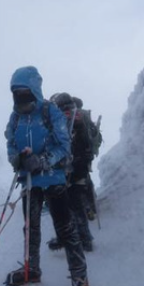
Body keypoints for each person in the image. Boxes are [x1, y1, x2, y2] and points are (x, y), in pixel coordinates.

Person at [3, 66, 89, 286]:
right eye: (17, 93)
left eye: (25, 93)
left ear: (34, 90)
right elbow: (11, 144)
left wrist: (42, 161)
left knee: (65, 227)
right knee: (30, 227)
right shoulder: (15, 117)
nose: (21, 98)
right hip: (29, 181)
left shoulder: (49, 111)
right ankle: (32, 269)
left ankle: (80, 277)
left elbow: (64, 146)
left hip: (53, 179)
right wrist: (17, 159)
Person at [46, 93, 95, 252]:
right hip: (80, 169)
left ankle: (69, 239)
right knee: (76, 206)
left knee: (66, 208)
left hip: (68, 170)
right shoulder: (81, 117)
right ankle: (85, 239)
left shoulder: (65, 120)